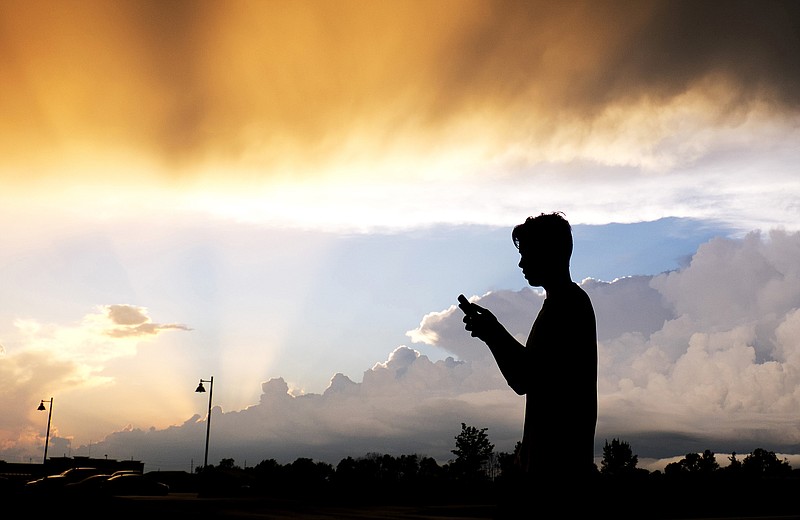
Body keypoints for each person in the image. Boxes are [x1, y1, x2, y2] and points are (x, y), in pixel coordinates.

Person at [458, 212, 597, 502]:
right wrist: (492, 332)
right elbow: (531, 375)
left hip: (557, 478)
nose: (521, 263)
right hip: (551, 472)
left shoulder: (567, 307)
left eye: (527, 254)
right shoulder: (563, 305)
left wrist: (492, 333)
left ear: (550, 253)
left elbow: (525, 378)